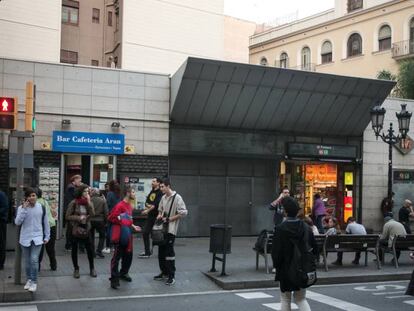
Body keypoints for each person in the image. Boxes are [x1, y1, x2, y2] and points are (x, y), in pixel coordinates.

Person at [272, 196, 316, 311]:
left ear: (285, 211)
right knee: (301, 299)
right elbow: (314, 247)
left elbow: (276, 252)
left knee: (285, 299)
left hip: (285, 267)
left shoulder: (280, 228)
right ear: (297, 211)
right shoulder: (306, 227)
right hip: (302, 266)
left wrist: (276, 266)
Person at [15, 188, 50, 292]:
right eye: (29, 196)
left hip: (38, 238)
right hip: (25, 238)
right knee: (27, 262)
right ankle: (29, 279)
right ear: (26, 197)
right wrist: (24, 210)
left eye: (33, 195)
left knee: (34, 260)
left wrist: (47, 236)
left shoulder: (41, 207)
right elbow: (17, 222)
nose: (31, 197)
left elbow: (46, 223)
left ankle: (34, 281)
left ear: (36, 196)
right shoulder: (22, 208)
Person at [153, 179, 188, 286]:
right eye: (161, 187)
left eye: (163, 186)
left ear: (168, 186)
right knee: (161, 252)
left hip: (171, 229)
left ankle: (171, 276)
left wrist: (170, 219)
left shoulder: (177, 197)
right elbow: (160, 209)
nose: (161, 188)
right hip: (162, 229)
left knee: (169, 253)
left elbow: (184, 212)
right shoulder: (163, 197)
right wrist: (159, 215)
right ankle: (163, 272)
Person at [108, 186, 141, 289]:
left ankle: (124, 273)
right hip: (120, 235)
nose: (134, 194)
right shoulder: (120, 205)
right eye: (133, 192)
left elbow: (128, 219)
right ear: (128, 193)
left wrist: (133, 225)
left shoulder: (129, 206)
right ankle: (114, 279)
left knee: (128, 256)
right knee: (116, 258)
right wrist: (124, 222)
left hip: (127, 234)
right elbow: (111, 218)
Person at [66, 184, 96, 278]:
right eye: (85, 191)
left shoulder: (88, 202)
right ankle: (76, 269)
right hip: (76, 228)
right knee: (74, 249)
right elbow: (67, 216)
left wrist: (89, 202)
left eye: (88, 191)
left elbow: (93, 214)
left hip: (86, 228)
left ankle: (92, 268)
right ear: (80, 192)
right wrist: (79, 218)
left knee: (90, 249)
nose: (87, 193)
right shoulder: (74, 203)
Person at [139, 177, 163, 258]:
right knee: (145, 233)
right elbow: (147, 202)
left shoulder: (160, 192)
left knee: (158, 235)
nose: (152, 182)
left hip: (157, 217)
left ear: (158, 183)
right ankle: (147, 252)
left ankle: (162, 252)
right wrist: (150, 206)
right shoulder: (152, 191)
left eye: (154, 181)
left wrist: (147, 210)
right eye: (152, 181)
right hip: (150, 217)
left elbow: (156, 205)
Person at [38, 188, 57, 271]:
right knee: (50, 248)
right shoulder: (45, 201)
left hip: (43, 227)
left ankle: (37, 266)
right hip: (52, 225)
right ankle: (53, 265)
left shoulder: (37, 203)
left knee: (40, 248)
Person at [103, 180, 121, 254]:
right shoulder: (119, 194)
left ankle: (108, 247)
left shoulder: (110, 193)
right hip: (117, 214)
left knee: (109, 230)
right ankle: (113, 247)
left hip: (111, 213)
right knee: (115, 230)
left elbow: (108, 204)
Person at [64, 175, 82, 251]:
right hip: (71, 210)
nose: (80, 182)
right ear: (75, 180)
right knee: (70, 228)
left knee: (71, 228)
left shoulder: (71, 187)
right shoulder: (71, 188)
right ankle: (68, 245)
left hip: (71, 209)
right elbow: (76, 196)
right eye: (79, 180)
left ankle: (70, 244)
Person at [89, 187, 108, 258]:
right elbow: (106, 212)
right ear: (98, 193)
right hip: (100, 220)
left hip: (90, 220)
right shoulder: (102, 201)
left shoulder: (89, 200)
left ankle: (92, 252)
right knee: (102, 236)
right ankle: (99, 251)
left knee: (91, 236)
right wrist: (106, 221)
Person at [0, 189, 8, 270]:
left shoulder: (1, 194)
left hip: (1, 222)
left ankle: (1, 263)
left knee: (1, 242)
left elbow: (4, 207)